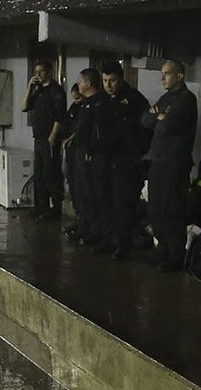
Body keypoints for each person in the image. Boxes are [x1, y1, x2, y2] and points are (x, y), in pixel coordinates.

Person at [90, 60, 151, 259]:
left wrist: (136, 153)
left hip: (124, 160)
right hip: (102, 158)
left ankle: (123, 245)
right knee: (103, 200)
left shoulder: (135, 100)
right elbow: (92, 128)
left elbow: (146, 130)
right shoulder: (100, 99)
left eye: (113, 80)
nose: (108, 85)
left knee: (122, 204)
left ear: (121, 78)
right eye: (105, 80)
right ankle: (108, 240)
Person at [146, 58, 199, 271]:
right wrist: (158, 117)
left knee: (171, 209)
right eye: (162, 73)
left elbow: (167, 126)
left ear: (180, 75)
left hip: (174, 163)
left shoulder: (187, 99)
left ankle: (175, 255)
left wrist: (159, 118)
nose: (162, 77)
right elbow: (145, 120)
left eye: (167, 73)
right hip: (157, 160)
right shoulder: (166, 98)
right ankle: (163, 250)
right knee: (156, 208)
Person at [57, 68, 104, 245]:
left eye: (81, 81)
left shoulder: (99, 103)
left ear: (88, 83)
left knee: (91, 193)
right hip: (79, 151)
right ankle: (83, 225)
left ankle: (94, 230)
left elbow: (97, 131)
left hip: (89, 154)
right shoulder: (85, 104)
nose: (79, 84)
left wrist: (91, 150)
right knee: (81, 191)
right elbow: (81, 128)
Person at [21, 57, 68, 221]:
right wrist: (30, 88)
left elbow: (60, 116)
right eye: (36, 72)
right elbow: (24, 107)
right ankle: (40, 207)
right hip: (38, 138)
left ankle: (55, 209)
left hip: (50, 139)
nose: (38, 75)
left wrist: (52, 136)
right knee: (39, 174)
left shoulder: (56, 91)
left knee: (51, 174)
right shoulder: (38, 90)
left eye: (41, 72)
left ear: (49, 72)